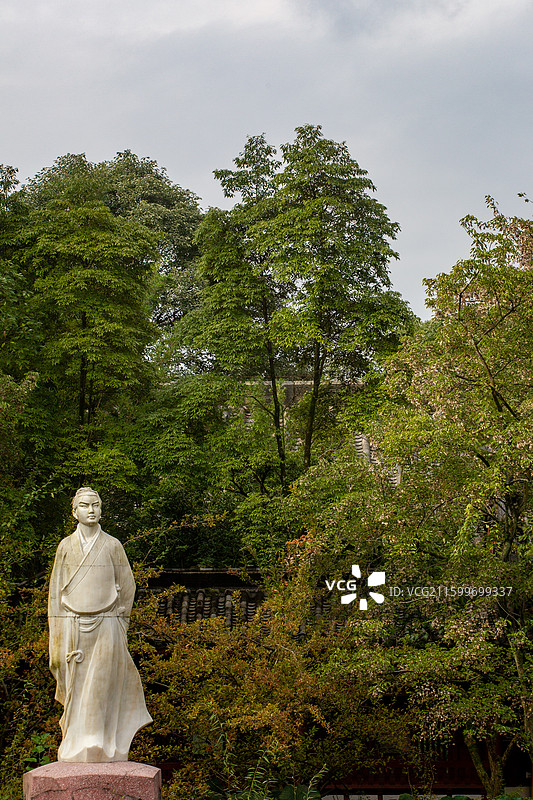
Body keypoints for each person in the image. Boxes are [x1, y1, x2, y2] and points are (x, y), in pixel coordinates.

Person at [48, 487, 152, 762]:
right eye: (84, 506)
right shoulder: (65, 547)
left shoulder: (113, 545)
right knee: (77, 687)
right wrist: (57, 636)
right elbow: (55, 594)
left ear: (101, 509)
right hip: (73, 625)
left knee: (103, 683)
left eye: (95, 505)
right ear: (74, 512)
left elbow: (127, 586)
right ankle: (76, 742)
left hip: (107, 622)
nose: (91, 510)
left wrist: (119, 621)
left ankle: (103, 741)